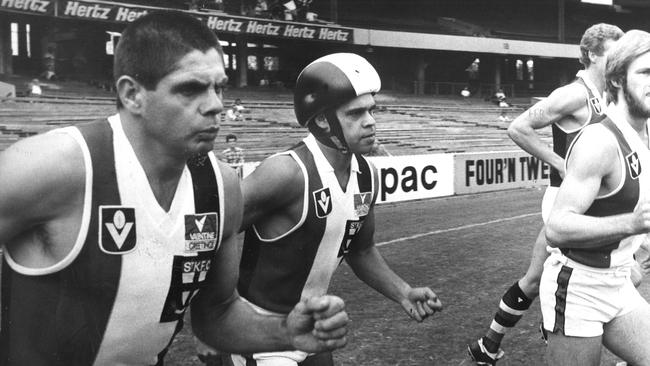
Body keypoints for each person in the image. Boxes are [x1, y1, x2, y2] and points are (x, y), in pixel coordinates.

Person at [0, 11, 349, 366]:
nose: (215, 105)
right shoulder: (55, 166)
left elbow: (217, 314)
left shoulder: (221, 186)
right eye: (190, 88)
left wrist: (286, 332)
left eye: (219, 87)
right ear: (132, 94)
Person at [230, 53, 443, 366]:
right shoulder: (286, 174)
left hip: (313, 330)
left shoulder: (368, 175)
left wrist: (403, 292)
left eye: (372, 110)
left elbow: (361, 250)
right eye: (355, 114)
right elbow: (211, 234)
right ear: (321, 120)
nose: (371, 121)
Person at [468, 23, 625, 365]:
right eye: (614, 52)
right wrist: (561, 163)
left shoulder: (607, 96)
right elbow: (518, 127)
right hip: (565, 202)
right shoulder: (573, 94)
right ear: (593, 54)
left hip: (591, 203)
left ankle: (488, 345)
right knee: (600, 276)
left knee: (539, 277)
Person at [542, 29, 650, 366]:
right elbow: (557, 228)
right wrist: (631, 224)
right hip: (579, 288)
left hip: (617, 284)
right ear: (617, 79)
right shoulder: (599, 141)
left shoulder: (641, 136)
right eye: (646, 72)